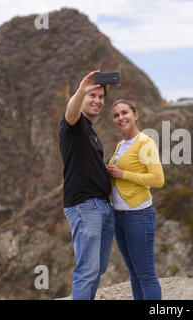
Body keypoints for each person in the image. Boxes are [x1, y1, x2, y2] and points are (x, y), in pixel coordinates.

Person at [58, 70, 114, 300]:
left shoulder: (90, 130)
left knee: (97, 269)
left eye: (101, 97)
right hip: (84, 206)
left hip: (101, 206)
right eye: (93, 96)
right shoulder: (73, 124)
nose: (98, 101)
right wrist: (81, 90)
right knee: (87, 271)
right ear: (82, 98)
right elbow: (70, 112)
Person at [106, 99, 164, 300]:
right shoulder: (121, 144)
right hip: (120, 216)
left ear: (135, 115)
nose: (121, 118)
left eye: (124, 113)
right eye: (116, 115)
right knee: (134, 274)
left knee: (146, 275)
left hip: (139, 215)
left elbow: (158, 179)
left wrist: (123, 174)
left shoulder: (145, 142)